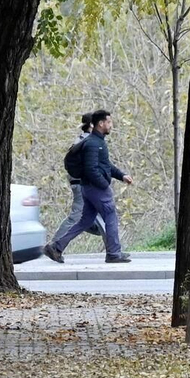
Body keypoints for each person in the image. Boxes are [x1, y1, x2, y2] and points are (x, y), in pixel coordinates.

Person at [43, 109, 133, 264]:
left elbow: (105, 165)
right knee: (110, 216)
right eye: (109, 122)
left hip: (89, 188)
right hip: (95, 188)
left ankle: (56, 247)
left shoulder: (97, 142)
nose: (111, 125)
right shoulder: (93, 143)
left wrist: (121, 175)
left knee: (85, 221)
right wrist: (104, 184)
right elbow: (91, 168)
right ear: (101, 123)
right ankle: (113, 253)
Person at [49, 114, 106, 253]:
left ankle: (114, 250)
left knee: (98, 215)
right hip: (83, 184)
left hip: (80, 183)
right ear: (92, 125)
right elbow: (92, 166)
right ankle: (54, 246)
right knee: (78, 216)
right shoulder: (88, 141)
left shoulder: (81, 140)